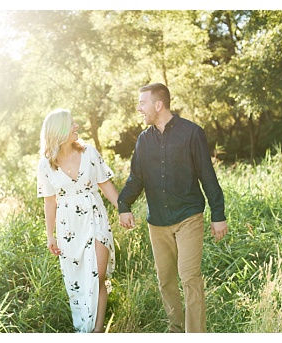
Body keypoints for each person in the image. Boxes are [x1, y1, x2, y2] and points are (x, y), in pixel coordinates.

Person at [118, 82, 229, 333]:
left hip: (188, 216)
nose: (139, 108)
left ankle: (195, 334)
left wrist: (218, 214)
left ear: (159, 105)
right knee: (166, 280)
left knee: (189, 277)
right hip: (157, 222)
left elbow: (207, 176)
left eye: (142, 103)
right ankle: (176, 329)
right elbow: (136, 178)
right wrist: (124, 204)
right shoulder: (143, 141)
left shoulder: (192, 133)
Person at [36, 109, 119, 333]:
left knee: (98, 275)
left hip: (95, 217)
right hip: (68, 226)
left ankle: (97, 331)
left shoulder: (89, 153)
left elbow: (105, 184)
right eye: (72, 123)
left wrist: (124, 209)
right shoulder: (45, 165)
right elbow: (49, 202)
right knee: (79, 281)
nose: (77, 127)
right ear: (60, 129)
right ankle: (84, 327)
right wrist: (50, 235)